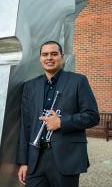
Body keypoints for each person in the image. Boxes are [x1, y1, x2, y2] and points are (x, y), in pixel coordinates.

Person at [17, 41, 100, 187]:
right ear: (40, 58)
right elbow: (26, 126)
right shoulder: (30, 86)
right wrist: (23, 162)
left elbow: (92, 116)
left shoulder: (78, 81)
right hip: (36, 159)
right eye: (45, 54)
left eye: (54, 54)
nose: (49, 57)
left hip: (66, 156)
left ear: (62, 56)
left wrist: (62, 122)